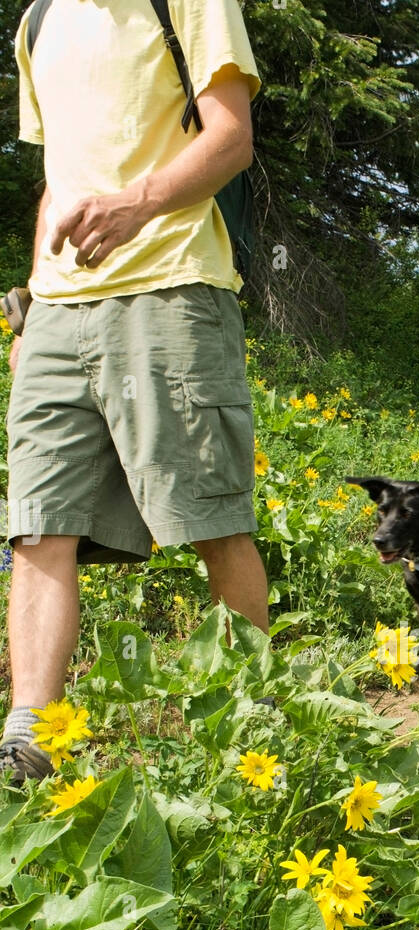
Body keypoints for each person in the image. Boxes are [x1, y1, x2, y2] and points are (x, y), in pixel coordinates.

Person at [2, 0, 267, 786]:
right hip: (55, 312)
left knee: (210, 519)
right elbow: (60, 179)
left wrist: (139, 204)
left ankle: (249, 722)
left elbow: (231, 139)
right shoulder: (38, 21)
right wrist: (30, 303)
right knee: (37, 524)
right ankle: (27, 742)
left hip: (169, 290)